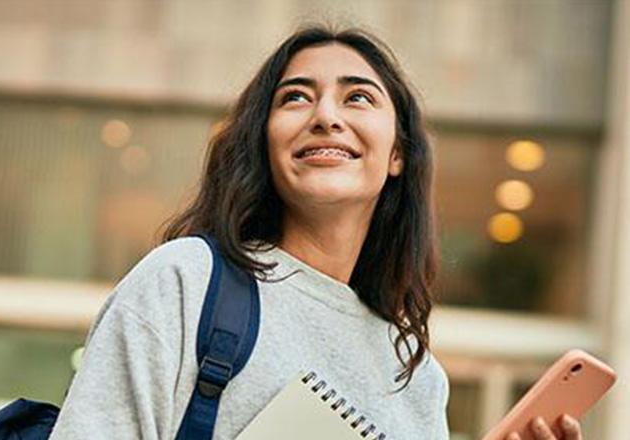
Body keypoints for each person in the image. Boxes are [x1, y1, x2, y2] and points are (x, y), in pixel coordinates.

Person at [49, 27, 583, 440]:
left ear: (396, 154)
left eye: (358, 99)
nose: (326, 115)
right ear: (264, 143)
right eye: (296, 98)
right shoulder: (186, 280)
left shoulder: (416, 378)